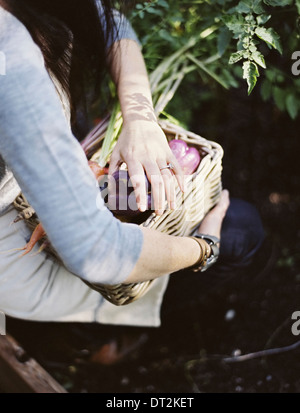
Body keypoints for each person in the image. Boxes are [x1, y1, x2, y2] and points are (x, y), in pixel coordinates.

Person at [0, 0, 265, 364]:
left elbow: (109, 23)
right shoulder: (7, 55)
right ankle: (86, 337)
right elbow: (98, 253)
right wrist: (203, 247)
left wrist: (140, 117)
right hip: (10, 243)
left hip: (44, 176)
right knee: (240, 230)